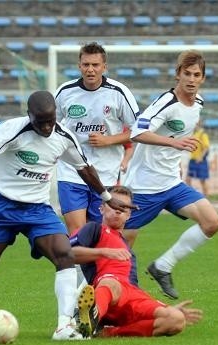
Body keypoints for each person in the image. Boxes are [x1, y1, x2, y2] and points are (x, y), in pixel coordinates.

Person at [0, 90, 136, 341]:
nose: (48, 127)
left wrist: (107, 197)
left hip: (38, 209)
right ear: (29, 116)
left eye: (51, 120)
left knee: (65, 254)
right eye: (42, 122)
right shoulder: (13, 129)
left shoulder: (63, 135)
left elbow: (84, 168)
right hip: (3, 208)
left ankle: (64, 326)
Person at [123, 50, 218, 300]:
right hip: (144, 187)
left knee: (212, 222)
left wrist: (174, 158)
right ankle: (112, 294)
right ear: (178, 74)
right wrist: (173, 144)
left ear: (203, 78)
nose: (191, 79)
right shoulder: (166, 103)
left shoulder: (198, 103)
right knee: (120, 246)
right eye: (186, 73)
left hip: (171, 184)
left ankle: (162, 266)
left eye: (196, 75)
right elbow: (136, 132)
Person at [70, 185, 203, 338]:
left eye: (124, 207)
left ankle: (108, 333)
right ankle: (91, 316)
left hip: (131, 296)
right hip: (106, 292)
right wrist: (103, 252)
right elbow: (66, 253)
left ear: (129, 215)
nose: (118, 210)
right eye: (114, 204)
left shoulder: (129, 252)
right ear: (101, 208)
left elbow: (133, 288)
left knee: (176, 320)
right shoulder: (93, 229)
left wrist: (167, 309)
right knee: (111, 282)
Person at [54, 41, 140, 235]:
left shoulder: (119, 93)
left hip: (105, 173)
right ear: (79, 66)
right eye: (86, 65)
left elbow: (139, 131)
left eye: (95, 65)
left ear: (104, 67)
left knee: (100, 232)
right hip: (72, 171)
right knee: (77, 231)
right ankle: (74, 267)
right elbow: (52, 127)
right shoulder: (65, 92)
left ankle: (97, 265)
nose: (90, 70)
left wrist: (108, 140)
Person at [185, 119, 210, 197]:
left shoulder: (203, 134)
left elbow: (206, 148)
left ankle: (206, 196)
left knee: (202, 180)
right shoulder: (194, 134)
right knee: (188, 178)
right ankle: (190, 196)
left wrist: (201, 157)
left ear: (197, 124)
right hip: (193, 159)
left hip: (200, 160)